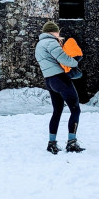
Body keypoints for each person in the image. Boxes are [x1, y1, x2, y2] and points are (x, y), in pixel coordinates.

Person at [34, 21, 84, 154]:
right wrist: (75, 62)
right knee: (75, 109)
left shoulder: (39, 45)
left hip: (49, 80)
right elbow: (64, 59)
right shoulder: (51, 42)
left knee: (57, 111)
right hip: (60, 79)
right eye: (57, 31)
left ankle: (52, 143)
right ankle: (71, 143)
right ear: (52, 32)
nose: (59, 34)